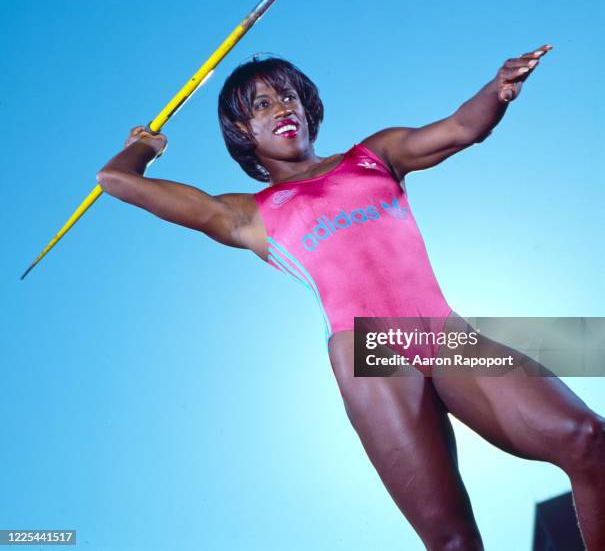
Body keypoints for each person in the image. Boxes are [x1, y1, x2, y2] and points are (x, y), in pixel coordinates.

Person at [96, 46, 605, 550]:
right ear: (244, 133)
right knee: (453, 542)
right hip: (368, 353)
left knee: (588, 439)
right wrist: (146, 145)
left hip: (444, 335)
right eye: (261, 105)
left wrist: (497, 92)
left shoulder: (374, 156)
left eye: (288, 96)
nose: (282, 108)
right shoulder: (248, 213)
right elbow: (115, 180)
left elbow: (459, 128)